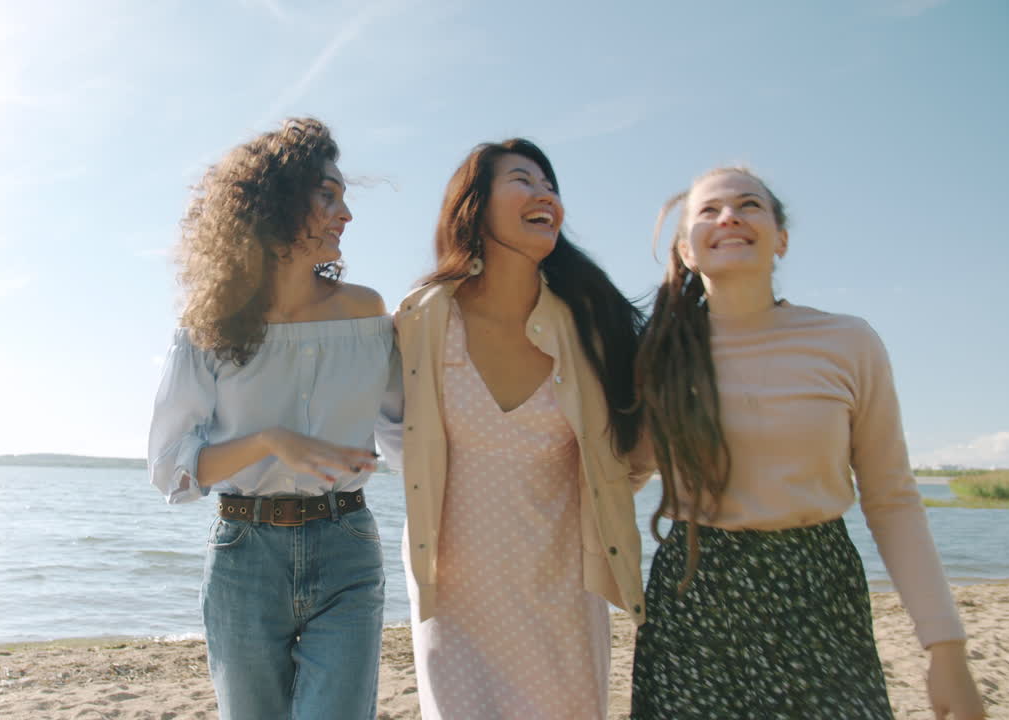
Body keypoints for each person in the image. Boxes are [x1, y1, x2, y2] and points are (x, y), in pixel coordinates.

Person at [629, 167, 985, 719]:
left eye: (749, 205)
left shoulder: (848, 341)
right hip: (694, 597)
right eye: (708, 210)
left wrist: (946, 648)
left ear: (782, 239)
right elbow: (616, 474)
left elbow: (892, 499)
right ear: (686, 249)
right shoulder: (657, 354)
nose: (729, 216)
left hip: (818, 588)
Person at [384, 139, 652, 720]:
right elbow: (394, 436)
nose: (544, 195)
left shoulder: (590, 324)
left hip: (563, 590)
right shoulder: (423, 317)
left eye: (550, 185)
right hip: (454, 594)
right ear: (475, 206)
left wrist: (604, 498)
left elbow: (634, 450)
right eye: (523, 180)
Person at [147, 117, 400, 720]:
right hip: (243, 554)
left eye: (344, 197)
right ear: (278, 203)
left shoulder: (367, 315)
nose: (346, 214)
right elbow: (171, 466)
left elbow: (408, 426)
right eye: (327, 195)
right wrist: (269, 442)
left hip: (347, 545)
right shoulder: (211, 327)